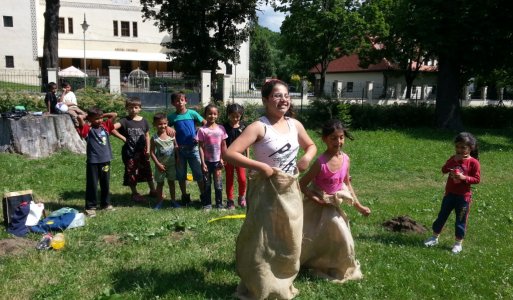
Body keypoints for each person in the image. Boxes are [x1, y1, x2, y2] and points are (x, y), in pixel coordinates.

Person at [224, 79, 317, 300]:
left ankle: (282, 282)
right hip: (266, 190)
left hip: (290, 189)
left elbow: (311, 145)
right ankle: (260, 285)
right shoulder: (259, 127)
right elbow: (230, 153)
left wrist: (306, 158)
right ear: (265, 100)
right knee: (263, 239)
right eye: (277, 95)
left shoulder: (295, 125)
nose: (283, 99)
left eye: (286, 95)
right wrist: (260, 166)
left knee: (288, 238)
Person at [299, 119, 370, 283]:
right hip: (318, 207)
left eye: (341, 137)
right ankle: (310, 262)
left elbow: (347, 184)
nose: (338, 142)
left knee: (336, 236)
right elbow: (302, 184)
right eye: (333, 138)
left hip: (334, 205)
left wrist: (359, 206)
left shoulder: (346, 159)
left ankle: (337, 265)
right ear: (324, 139)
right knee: (314, 238)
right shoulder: (320, 163)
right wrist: (316, 198)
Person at [424, 132, 481, 254]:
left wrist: (463, 177)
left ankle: (458, 243)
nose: (459, 150)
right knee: (442, 216)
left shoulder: (473, 162)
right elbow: (444, 170)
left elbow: (477, 179)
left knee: (460, 220)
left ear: (471, 148)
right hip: (449, 194)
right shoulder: (453, 158)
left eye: (463, 147)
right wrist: (453, 161)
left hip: (463, 198)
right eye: (457, 147)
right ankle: (434, 238)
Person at [112, 97, 156, 203]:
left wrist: (148, 149)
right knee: (131, 171)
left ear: (140, 108)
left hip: (143, 151)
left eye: (136, 107)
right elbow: (111, 128)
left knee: (147, 170)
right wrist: (123, 138)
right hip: (130, 152)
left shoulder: (144, 121)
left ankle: (153, 190)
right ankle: (134, 193)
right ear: (127, 108)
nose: (133, 110)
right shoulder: (124, 121)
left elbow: (147, 135)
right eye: (130, 107)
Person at [167, 92, 206, 206]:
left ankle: (203, 195)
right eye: (177, 101)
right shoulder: (172, 117)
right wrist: (168, 126)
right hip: (180, 150)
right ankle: (184, 196)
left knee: (199, 173)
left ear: (186, 101)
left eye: (182, 100)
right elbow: (163, 125)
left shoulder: (192, 113)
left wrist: (199, 130)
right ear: (173, 103)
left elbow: (205, 123)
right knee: (181, 175)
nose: (180, 103)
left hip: (194, 149)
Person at [77, 107, 117, 217]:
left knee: (105, 183)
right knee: (92, 184)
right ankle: (90, 207)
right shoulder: (87, 129)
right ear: (89, 119)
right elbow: (79, 117)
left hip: (106, 160)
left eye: (100, 118)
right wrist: (88, 117)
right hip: (93, 161)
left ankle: (105, 204)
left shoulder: (105, 127)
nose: (99, 121)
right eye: (96, 119)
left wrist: (101, 115)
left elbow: (114, 114)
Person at [196, 104, 228, 210]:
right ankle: (207, 204)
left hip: (218, 162)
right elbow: (200, 147)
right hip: (207, 162)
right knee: (207, 184)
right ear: (205, 114)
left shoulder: (221, 129)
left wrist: (224, 158)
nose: (212, 116)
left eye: (214, 114)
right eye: (209, 113)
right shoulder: (202, 130)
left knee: (218, 185)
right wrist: (203, 162)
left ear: (217, 115)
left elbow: (223, 145)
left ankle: (219, 204)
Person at [150, 113, 181, 210]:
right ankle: (159, 202)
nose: (162, 126)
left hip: (171, 165)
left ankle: (173, 201)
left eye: (164, 123)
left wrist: (178, 158)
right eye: (159, 124)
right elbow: (151, 152)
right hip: (161, 166)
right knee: (160, 184)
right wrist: (158, 164)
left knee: (171, 182)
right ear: (154, 124)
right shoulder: (154, 138)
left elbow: (176, 147)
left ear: (167, 123)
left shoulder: (171, 135)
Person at [222, 103, 248, 209]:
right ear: (228, 115)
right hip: (228, 157)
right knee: (229, 179)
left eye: (238, 116)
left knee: (242, 179)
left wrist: (247, 157)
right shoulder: (224, 127)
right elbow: (222, 143)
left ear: (241, 115)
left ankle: (242, 197)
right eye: (233, 116)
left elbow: (246, 143)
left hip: (240, 157)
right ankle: (230, 200)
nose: (235, 118)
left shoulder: (243, 127)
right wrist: (223, 157)